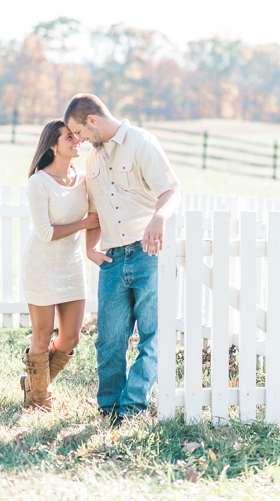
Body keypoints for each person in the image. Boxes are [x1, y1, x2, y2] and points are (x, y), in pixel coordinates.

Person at [64, 94, 180, 421]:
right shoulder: (92, 161)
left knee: (152, 337)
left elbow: (171, 192)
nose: (79, 140)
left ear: (92, 120)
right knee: (109, 342)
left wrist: (159, 219)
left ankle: (131, 409)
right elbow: (94, 211)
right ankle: (109, 408)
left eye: (79, 132)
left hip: (150, 254)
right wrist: (90, 247)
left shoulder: (142, 143)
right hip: (113, 259)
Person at [19, 119, 100, 411]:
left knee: (70, 338)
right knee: (42, 335)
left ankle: (32, 381)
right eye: (70, 137)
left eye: (77, 136)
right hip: (41, 265)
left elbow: (96, 214)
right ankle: (40, 401)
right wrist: (83, 223)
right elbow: (46, 232)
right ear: (53, 145)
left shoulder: (83, 178)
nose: (77, 141)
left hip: (71, 264)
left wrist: (91, 236)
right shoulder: (38, 182)